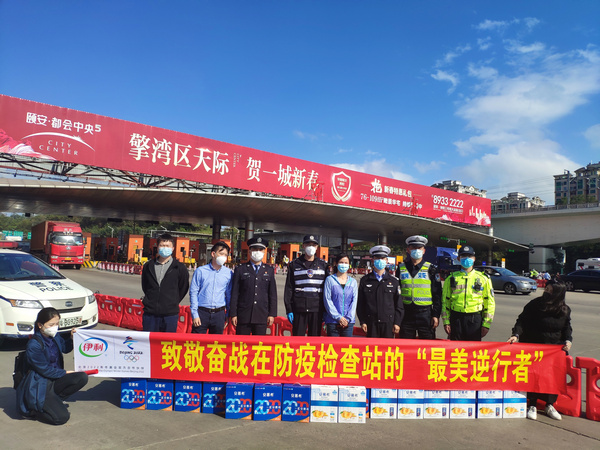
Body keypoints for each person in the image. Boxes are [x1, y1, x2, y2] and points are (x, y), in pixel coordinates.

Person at [507, 279, 572, 421]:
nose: (546, 293)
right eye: (546, 289)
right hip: (534, 346)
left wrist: (568, 340)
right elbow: (521, 320)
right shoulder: (535, 305)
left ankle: (549, 405)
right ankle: (532, 404)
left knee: (552, 377)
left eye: (550, 291)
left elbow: (567, 327)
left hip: (553, 349)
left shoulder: (564, 310)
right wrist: (516, 334)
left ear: (558, 294)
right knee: (534, 376)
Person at [16, 308, 88, 425]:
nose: (55, 327)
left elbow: (65, 348)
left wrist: (71, 338)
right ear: (40, 325)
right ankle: (35, 410)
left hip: (55, 378)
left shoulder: (54, 336)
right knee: (61, 418)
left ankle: (56, 399)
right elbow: (44, 370)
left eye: (57, 324)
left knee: (82, 377)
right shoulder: (34, 345)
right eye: (51, 324)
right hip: (41, 382)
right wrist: (64, 373)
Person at [442, 246, 495, 341]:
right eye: (463, 256)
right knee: (456, 348)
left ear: (474, 259)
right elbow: (445, 302)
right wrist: (446, 322)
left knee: (473, 348)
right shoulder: (451, 278)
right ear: (458, 259)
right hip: (456, 318)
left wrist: (486, 324)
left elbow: (489, 303)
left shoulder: (483, 278)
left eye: (469, 256)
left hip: (474, 319)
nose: (467, 259)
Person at [141, 233, 190, 332]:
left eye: (167, 246)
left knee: (167, 341)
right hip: (150, 314)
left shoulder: (179, 267)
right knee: (150, 341)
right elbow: (145, 286)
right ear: (157, 247)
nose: (164, 248)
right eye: (162, 245)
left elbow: (183, 287)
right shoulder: (148, 266)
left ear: (173, 248)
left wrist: (172, 301)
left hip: (170, 315)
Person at [229, 237, 277, 335]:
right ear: (249, 251)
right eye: (255, 249)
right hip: (243, 315)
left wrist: (272, 314)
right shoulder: (240, 269)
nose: (257, 252)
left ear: (264, 252)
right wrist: (233, 314)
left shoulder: (269, 270)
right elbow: (235, 293)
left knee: (259, 343)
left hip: (261, 315)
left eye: (260, 249)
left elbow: (272, 294)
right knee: (242, 343)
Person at [396, 235, 441, 339]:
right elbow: (397, 293)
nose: (416, 250)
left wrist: (435, 315)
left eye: (419, 248)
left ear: (424, 251)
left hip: (425, 314)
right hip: (406, 314)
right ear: (408, 250)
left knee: (427, 346)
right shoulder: (401, 268)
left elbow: (437, 294)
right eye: (413, 248)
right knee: (406, 346)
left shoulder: (431, 269)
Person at [284, 235, 330, 336]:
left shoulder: (323, 265)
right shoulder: (294, 264)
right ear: (303, 246)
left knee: (314, 340)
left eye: (313, 245)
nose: (311, 247)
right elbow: (289, 288)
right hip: (299, 308)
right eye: (308, 244)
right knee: (298, 339)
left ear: (317, 247)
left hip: (317, 309)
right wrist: (289, 309)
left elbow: (327, 289)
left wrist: (326, 310)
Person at [356, 245, 403, 338]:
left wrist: (397, 322)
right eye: (377, 258)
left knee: (388, 347)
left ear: (386, 261)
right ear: (372, 260)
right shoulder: (365, 280)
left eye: (382, 258)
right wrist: (362, 321)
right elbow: (361, 303)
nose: (380, 260)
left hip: (388, 323)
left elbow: (399, 304)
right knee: (372, 347)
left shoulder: (394, 281)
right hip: (371, 323)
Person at [190, 241, 233, 334]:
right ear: (213, 254)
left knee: (216, 341)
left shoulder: (228, 273)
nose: (223, 257)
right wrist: (195, 314)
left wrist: (228, 314)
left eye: (226, 255)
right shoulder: (200, 271)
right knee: (197, 341)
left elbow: (229, 294)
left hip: (219, 314)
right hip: (202, 312)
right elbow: (193, 292)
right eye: (221, 254)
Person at [323, 253, 358, 337]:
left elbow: (354, 301)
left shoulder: (353, 282)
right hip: (332, 321)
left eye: (346, 263)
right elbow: (327, 300)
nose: (344, 265)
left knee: (347, 345)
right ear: (336, 263)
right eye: (341, 262)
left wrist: (348, 319)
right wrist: (338, 317)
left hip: (348, 322)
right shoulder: (330, 280)